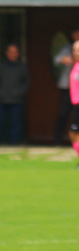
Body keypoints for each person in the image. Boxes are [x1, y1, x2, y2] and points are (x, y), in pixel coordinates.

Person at [0, 44, 30, 145]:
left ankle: (15, 142)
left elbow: (26, 82)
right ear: (7, 53)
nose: (13, 54)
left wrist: (19, 92)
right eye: (11, 52)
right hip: (1, 99)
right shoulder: (1, 67)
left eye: (15, 52)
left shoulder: (22, 67)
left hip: (17, 99)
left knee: (16, 122)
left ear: (18, 54)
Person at [53, 29, 79, 145]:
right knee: (63, 114)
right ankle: (57, 140)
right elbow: (56, 60)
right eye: (75, 51)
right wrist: (63, 60)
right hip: (67, 89)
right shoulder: (67, 49)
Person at [68, 40, 79, 168]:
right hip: (76, 104)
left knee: (74, 133)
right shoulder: (75, 65)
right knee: (74, 134)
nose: (76, 52)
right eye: (75, 50)